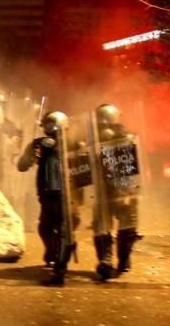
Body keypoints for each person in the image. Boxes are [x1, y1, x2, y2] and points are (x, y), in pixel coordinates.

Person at [16, 110, 78, 285]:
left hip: (68, 195)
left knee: (65, 231)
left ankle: (59, 270)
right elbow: (22, 165)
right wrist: (35, 153)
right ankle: (53, 253)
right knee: (45, 228)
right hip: (47, 195)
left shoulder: (73, 143)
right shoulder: (39, 144)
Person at [92, 103, 142, 280]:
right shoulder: (92, 137)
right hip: (110, 190)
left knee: (123, 230)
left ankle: (120, 259)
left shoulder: (124, 136)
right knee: (105, 229)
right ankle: (109, 261)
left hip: (121, 189)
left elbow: (133, 164)